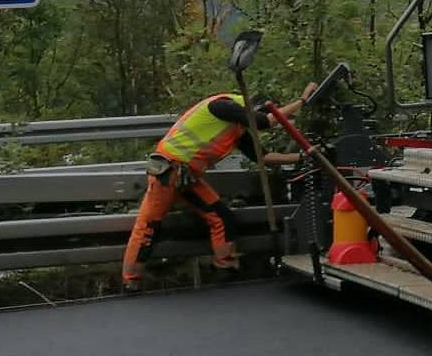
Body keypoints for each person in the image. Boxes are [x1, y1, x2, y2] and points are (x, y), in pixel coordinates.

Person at [121, 87, 311, 291]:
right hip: (168, 171)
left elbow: (263, 157)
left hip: (187, 177)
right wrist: (302, 100)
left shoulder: (236, 128)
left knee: (221, 217)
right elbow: (265, 122)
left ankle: (225, 268)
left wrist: (303, 156)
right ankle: (131, 280)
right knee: (149, 226)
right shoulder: (221, 106)